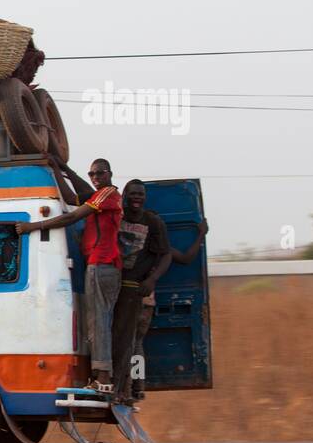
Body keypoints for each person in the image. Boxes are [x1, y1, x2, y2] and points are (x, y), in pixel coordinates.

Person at [15, 158, 122, 391]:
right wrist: (58, 168)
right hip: (99, 265)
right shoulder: (99, 196)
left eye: (99, 173)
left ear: (110, 174)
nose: (95, 178)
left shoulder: (108, 195)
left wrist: (33, 227)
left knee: (99, 321)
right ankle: (101, 375)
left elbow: (72, 216)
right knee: (96, 321)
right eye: (92, 174)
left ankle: (103, 378)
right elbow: (73, 197)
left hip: (102, 264)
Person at [131, 219, 208, 399]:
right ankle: (137, 386)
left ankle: (127, 385)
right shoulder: (164, 251)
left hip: (131, 302)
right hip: (148, 304)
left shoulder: (134, 247)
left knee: (127, 345)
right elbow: (188, 258)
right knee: (137, 345)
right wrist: (201, 235)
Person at [111, 180, 171, 403]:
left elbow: (168, 255)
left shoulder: (153, 223)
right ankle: (132, 387)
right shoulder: (115, 216)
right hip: (113, 287)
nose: (137, 197)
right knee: (122, 341)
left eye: (141, 194)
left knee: (130, 342)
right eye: (133, 194)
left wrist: (152, 279)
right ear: (124, 195)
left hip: (136, 291)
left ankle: (130, 388)